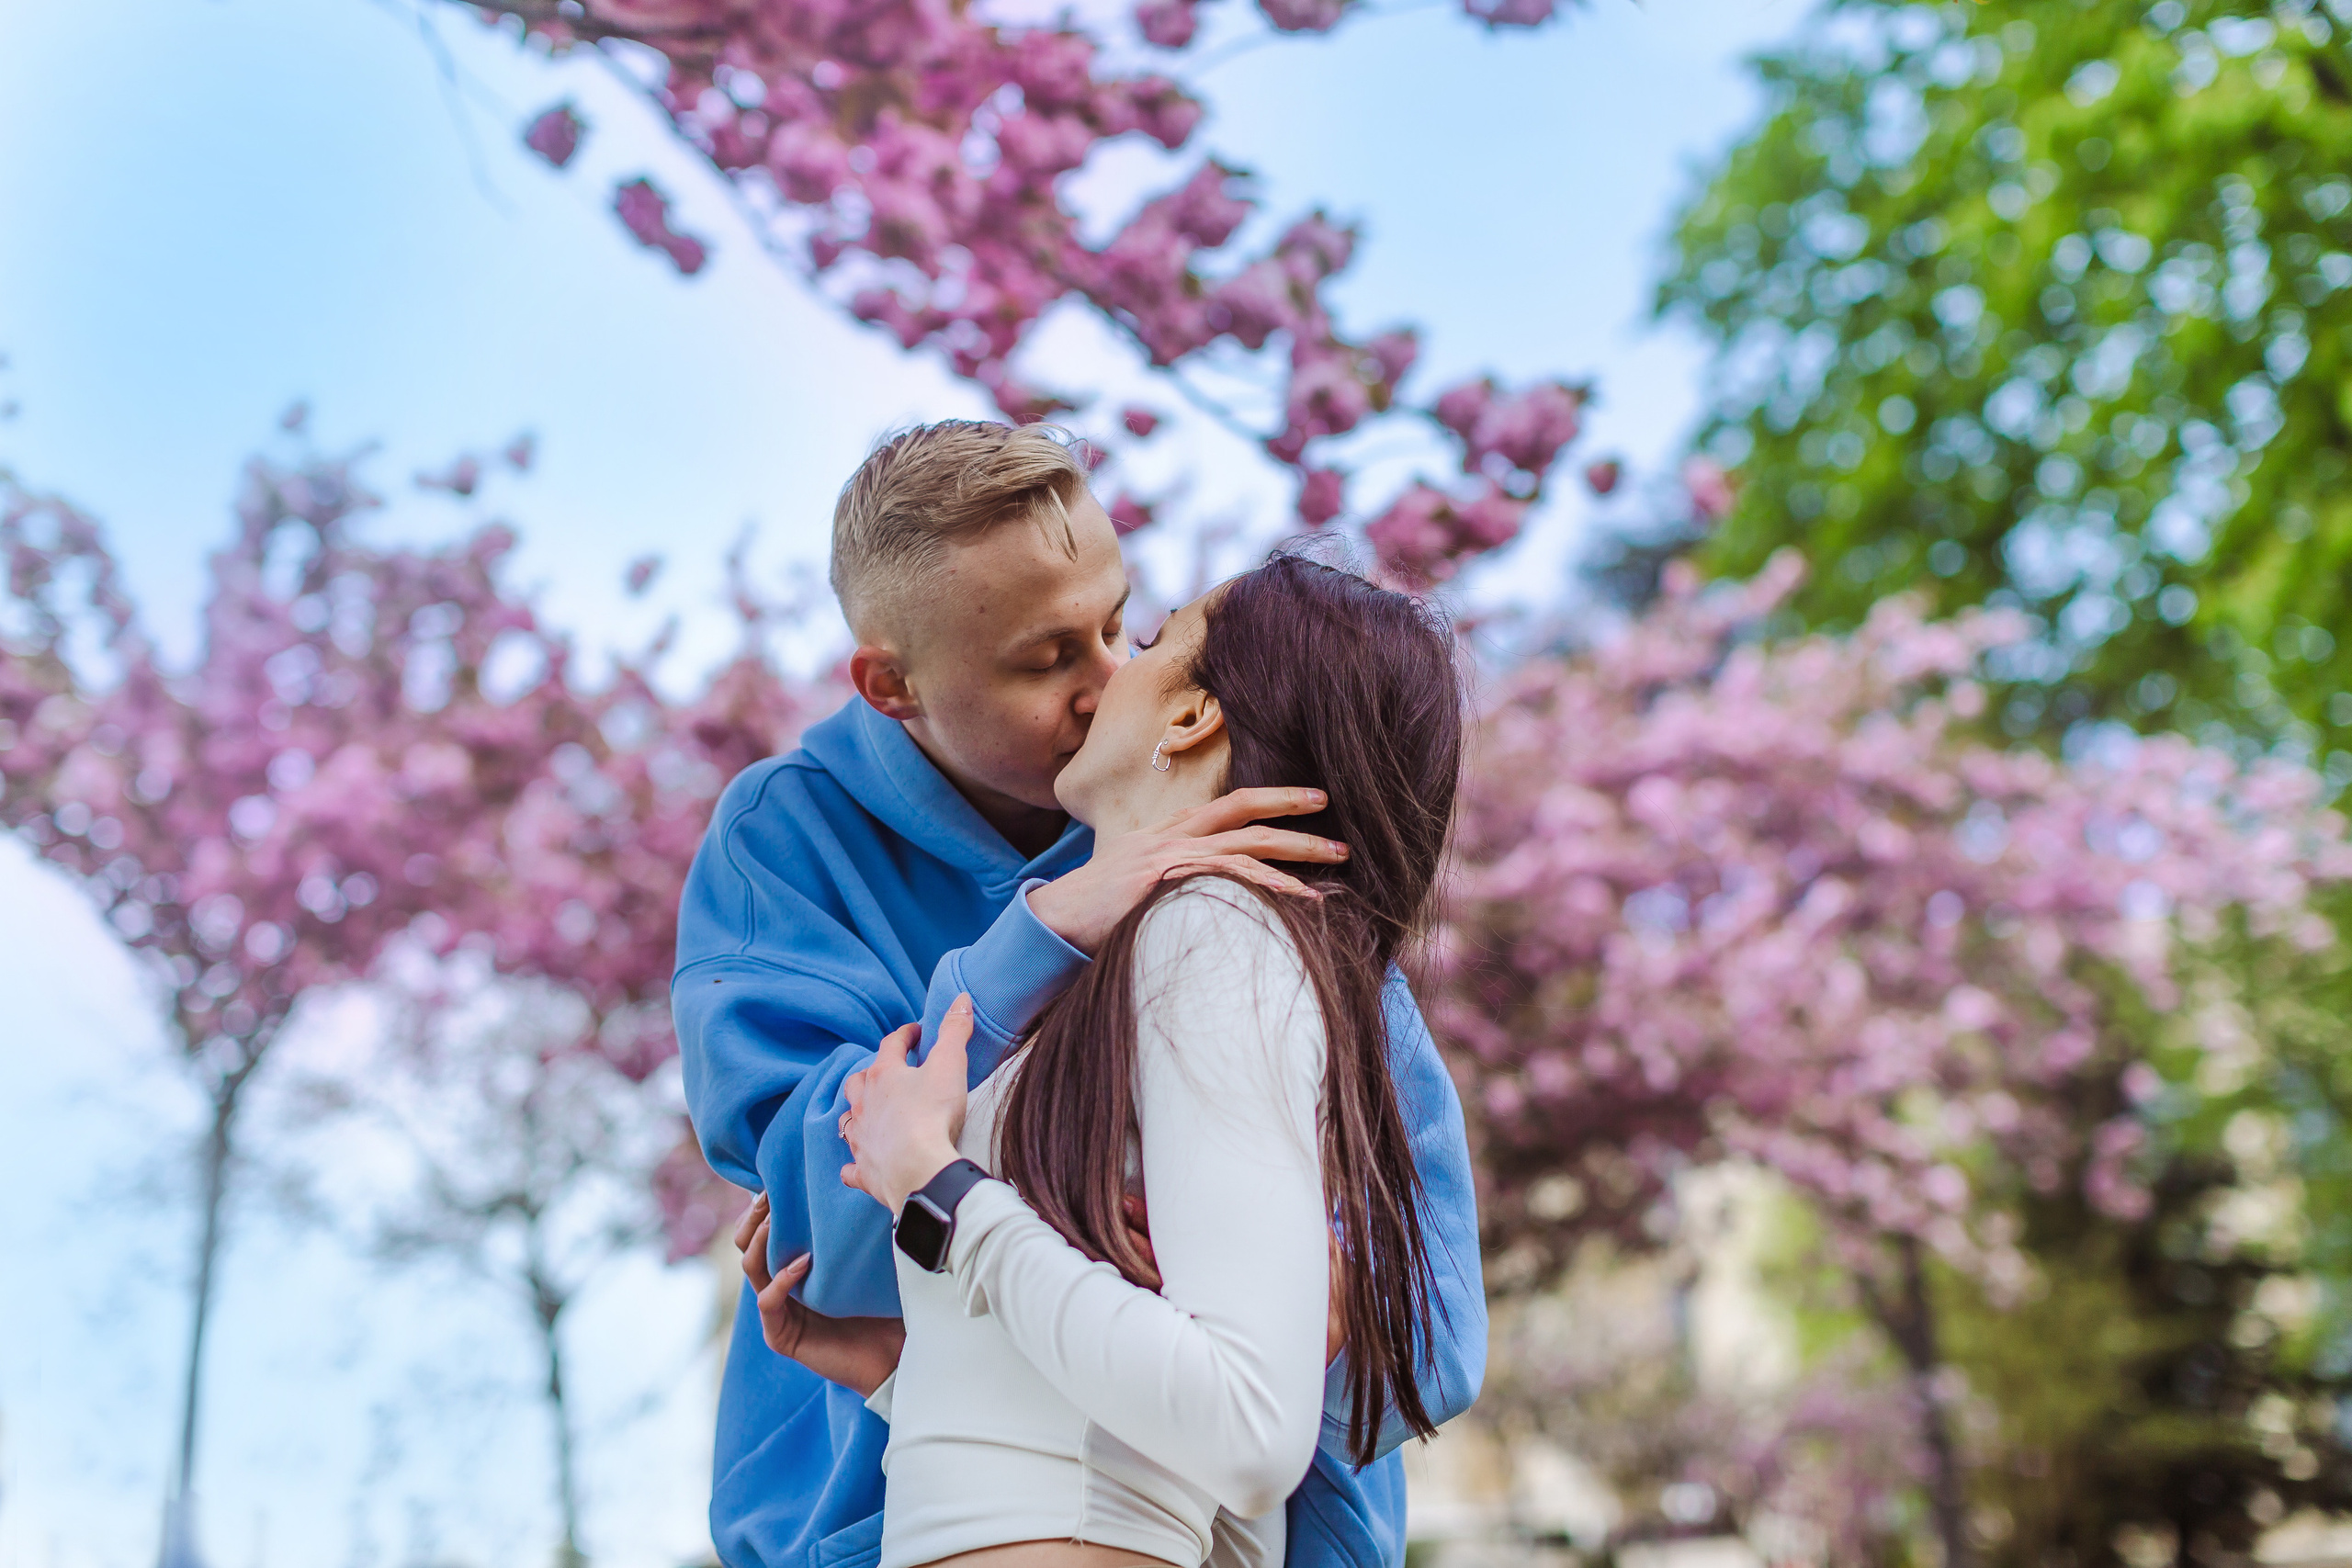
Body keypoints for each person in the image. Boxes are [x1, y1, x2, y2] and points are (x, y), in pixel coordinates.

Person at [673, 421, 1484, 1568]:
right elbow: (826, 1247)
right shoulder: (782, 846)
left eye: (1120, 626)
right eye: (1047, 658)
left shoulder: (1245, 870)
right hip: (876, 1529)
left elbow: (1427, 1328)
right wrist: (1045, 936)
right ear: (892, 685)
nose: (1106, 684)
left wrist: (1248, 1293)